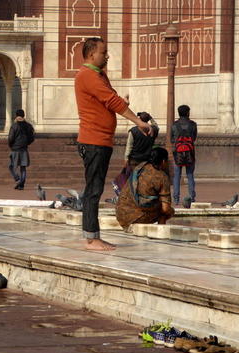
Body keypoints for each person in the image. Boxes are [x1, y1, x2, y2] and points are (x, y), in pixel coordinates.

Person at [74, 37, 152, 251]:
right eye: (103, 52)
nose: (106, 55)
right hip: (93, 141)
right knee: (93, 190)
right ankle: (92, 239)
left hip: (99, 141)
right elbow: (112, 101)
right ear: (91, 54)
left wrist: (122, 105)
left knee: (95, 189)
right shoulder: (87, 75)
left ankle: (93, 237)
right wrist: (138, 121)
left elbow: (110, 101)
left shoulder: (97, 75)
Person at [116, 147, 174, 229]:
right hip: (135, 217)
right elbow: (165, 208)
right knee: (166, 211)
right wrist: (171, 210)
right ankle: (161, 231)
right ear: (163, 161)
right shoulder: (162, 177)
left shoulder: (140, 167)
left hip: (120, 213)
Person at [112, 111, 160, 196]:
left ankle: (132, 196)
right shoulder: (153, 131)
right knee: (144, 180)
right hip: (146, 160)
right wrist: (151, 117)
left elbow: (129, 146)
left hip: (134, 160)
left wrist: (126, 159)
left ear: (139, 119)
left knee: (133, 180)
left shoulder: (133, 131)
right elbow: (156, 125)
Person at [171, 104, 198, 205]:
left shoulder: (174, 125)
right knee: (190, 175)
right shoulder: (193, 124)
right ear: (187, 113)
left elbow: (172, 139)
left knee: (177, 176)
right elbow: (194, 138)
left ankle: (176, 199)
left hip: (178, 153)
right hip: (190, 152)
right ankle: (192, 197)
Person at [7, 109, 35, 190]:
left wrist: (11, 145)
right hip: (24, 149)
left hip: (15, 149)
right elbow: (32, 138)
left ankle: (18, 179)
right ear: (23, 115)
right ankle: (21, 185)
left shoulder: (14, 126)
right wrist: (26, 143)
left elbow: (10, 138)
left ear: (16, 115)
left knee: (11, 166)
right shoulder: (28, 126)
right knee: (23, 167)